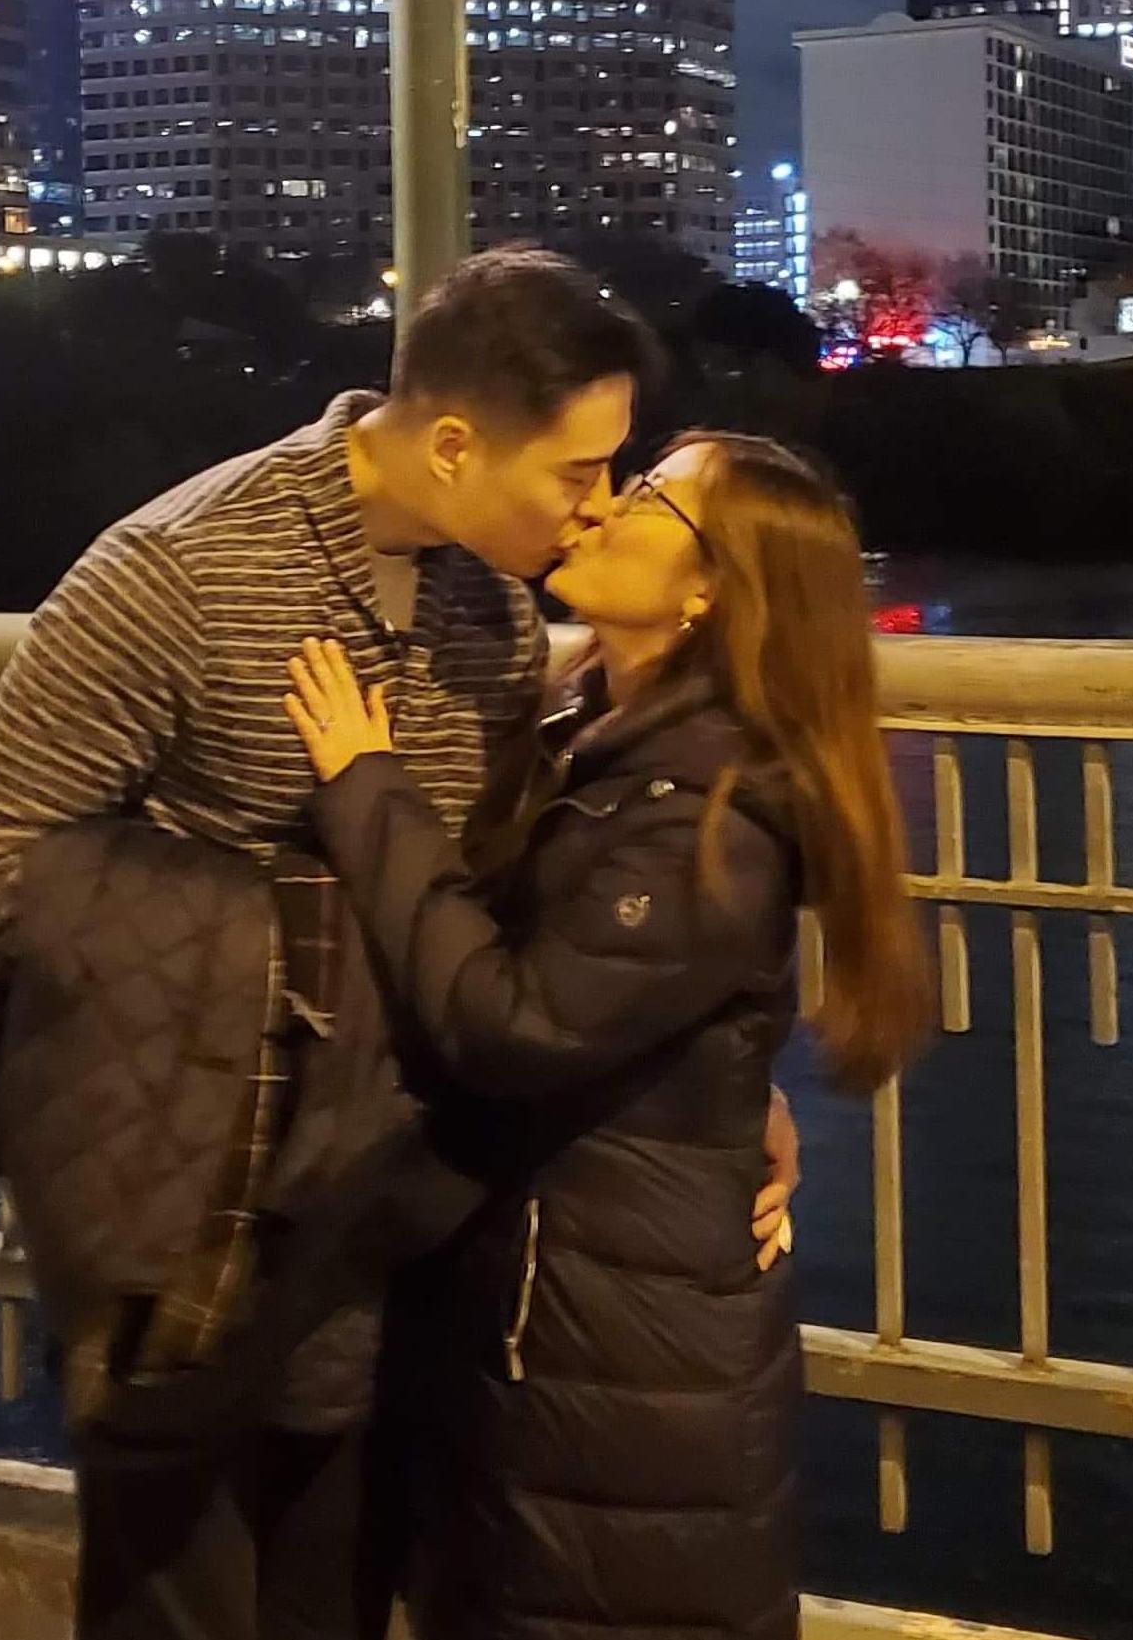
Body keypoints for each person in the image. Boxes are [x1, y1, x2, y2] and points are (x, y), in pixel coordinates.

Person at [0, 247, 797, 1640]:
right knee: (177, 1598)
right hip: (186, 1213)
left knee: (334, 1592)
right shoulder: (176, 572)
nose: (596, 506)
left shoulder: (491, 607)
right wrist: (304, 963)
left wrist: (705, 1076)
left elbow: (500, 909)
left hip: (387, 1224)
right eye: (575, 472)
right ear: (453, 445)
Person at [286, 429, 923, 1640]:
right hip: (555, 1318)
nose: (598, 508)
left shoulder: (708, 810)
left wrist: (366, 785)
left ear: (710, 588)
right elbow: (621, 1000)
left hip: (614, 1357)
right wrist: (731, 1089)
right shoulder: (592, 731)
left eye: (648, 501)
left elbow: (516, 1021)